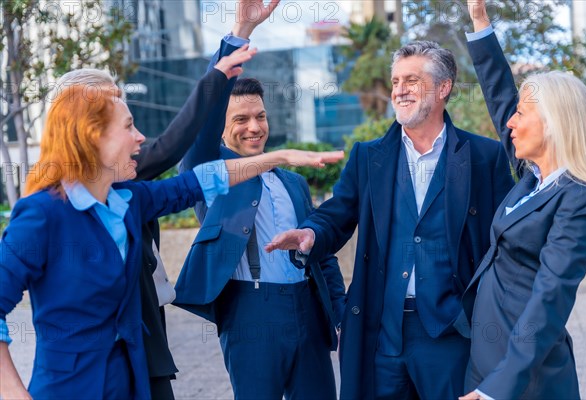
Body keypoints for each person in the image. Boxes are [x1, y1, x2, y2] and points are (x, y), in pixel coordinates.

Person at [0, 82, 344, 399]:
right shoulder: (40, 214)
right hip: (69, 389)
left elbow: (196, 184)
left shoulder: (128, 201)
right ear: (95, 136)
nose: (140, 137)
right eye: (129, 126)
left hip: (130, 380)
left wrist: (279, 157)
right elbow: (191, 158)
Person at [47, 2, 280, 397]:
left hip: (145, 339)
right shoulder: (50, 205)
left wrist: (277, 160)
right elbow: (176, 142)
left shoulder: (126, 177)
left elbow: (193, 178)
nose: (134, 133)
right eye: (110, 114)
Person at [266, 40, 515, 399]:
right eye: (396, 81)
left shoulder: (483, 156)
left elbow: (503, 240)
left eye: (411, 80)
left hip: (452, 333)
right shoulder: (369, 156)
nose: (399, 90)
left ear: (443, 88)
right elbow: (338, 212)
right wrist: (310, 233)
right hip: (383, 333)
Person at [456, 1, 586, 399]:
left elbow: (549, 299)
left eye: (523, 113)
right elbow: (501, 97)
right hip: (484, 361)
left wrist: (495, 390)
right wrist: (480, 22)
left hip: (523, 377)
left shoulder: (580, 199)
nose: (510, 122)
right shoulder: (532, 177)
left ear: (553, 126)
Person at [173, 79, 346, 399]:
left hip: (307, 307)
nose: (254, 127)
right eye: (240, 119)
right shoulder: (211, 174)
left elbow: (322, 253)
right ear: (220, 130)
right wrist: (231, 51)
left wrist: (340, 314)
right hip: (249, 310)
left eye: (260, 116)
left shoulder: (294, 183)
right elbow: (197, 139)